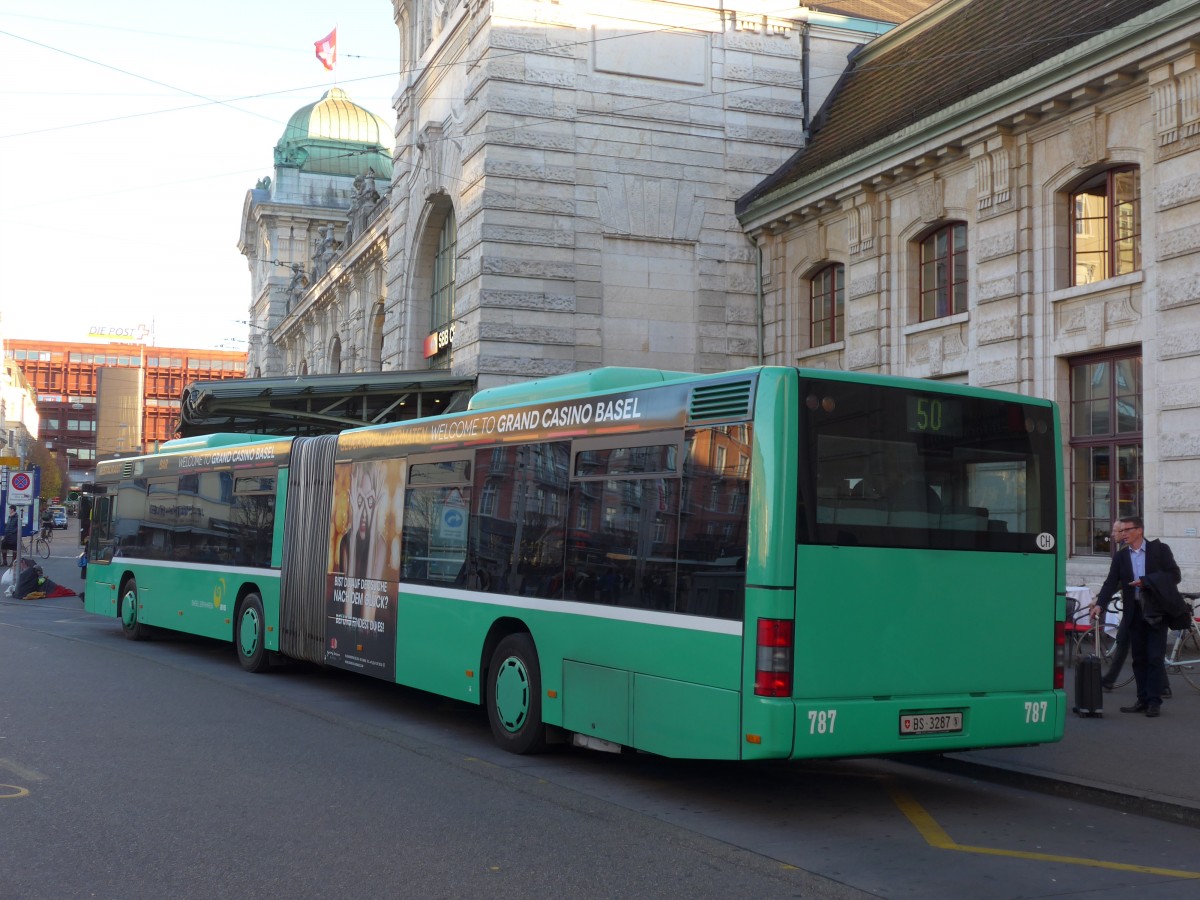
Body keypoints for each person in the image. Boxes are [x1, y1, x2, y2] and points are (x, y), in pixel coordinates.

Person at [1091, 515, 1180, 717]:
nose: (1122, 534)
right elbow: (1110, 582)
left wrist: (1146, 582)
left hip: (1156, 611)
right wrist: (1100, 605)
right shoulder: (1121, 556)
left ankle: (1154, 701)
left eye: (1125, 530)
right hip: (1134, 611)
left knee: (1155, 657)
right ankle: (1142, 699)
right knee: (1139, 658)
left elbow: (1175, 575)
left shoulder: (1159, 550)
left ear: (1138, 530)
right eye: (1120, 531)